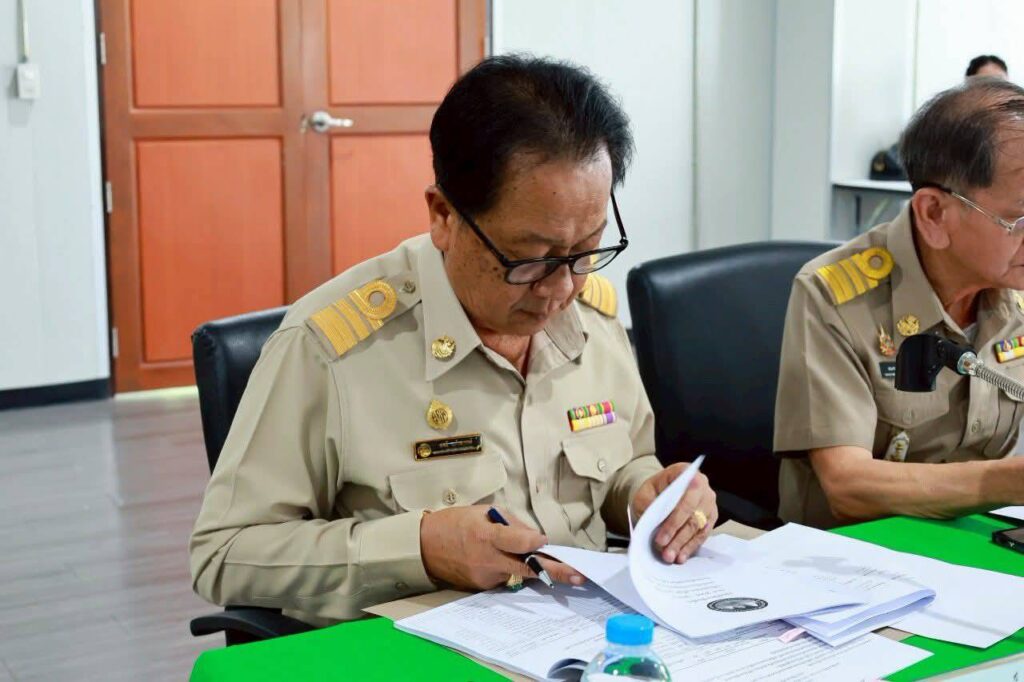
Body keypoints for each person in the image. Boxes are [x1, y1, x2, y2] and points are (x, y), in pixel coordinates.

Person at [190, 55, 718, 626]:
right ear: (444, 216)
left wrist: (649, 496)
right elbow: (224, 555)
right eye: (530, 260)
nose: (562, 288)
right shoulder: (331, 350)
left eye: (587, 251)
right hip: (414, 652)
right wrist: (418, 549)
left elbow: (625, 464)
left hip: (582, 637)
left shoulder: (593, 318)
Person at [774, 77, 1024, 529]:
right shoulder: (833, 297)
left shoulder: (1012, 286)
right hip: (852, 551)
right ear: (934, 214)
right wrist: (1005, 483)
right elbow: (847, 486)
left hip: (974, 536)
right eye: (1019, 219)